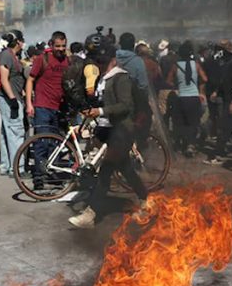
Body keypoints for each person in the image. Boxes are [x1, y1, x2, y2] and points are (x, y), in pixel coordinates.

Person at [68, 45, 148, 229]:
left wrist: (101, 110)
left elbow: (126, 105)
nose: (97, 63)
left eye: (100, 60)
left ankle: (90, 214)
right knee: (126, 169)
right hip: (108, 130)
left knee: (105, 171)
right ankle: (145, 199)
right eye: (95, 60)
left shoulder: (121, 77)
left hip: (122, 131)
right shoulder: (104, 78)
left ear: (112, 59)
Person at [26, 31, 69, 189]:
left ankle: (53, 173)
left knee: (56, 143)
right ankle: (38, 176)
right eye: (57, 46)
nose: (60, 49)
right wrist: (29, 104)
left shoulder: (67, 61)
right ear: (51, 45)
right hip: (42, 106)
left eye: (63, 46)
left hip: (59, 107)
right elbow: (30, 80)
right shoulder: (42, 59)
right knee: (41, 142)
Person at [165, 41, 207, 157]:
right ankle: (191, 145)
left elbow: (168, 81)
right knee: (193, 122)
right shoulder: (196, 65)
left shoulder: (176, 66)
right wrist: (201, 92)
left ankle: (182, 144)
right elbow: (204, 78)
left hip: (181, 98)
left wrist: (177, 86)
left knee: (181, 122)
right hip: (194, 98)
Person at [0, 30, 26, 176]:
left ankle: (6, 165)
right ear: (18, 41)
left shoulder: (12, 56)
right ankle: (17, 169)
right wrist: (13, 99)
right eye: (22, 40)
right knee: (16, 132)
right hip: (9, 99)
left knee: (7, 132)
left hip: (11, 97)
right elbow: (4, 79)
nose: (23, 43)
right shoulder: (7, 55)